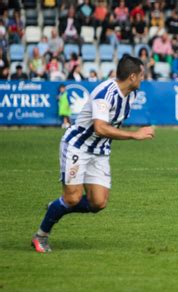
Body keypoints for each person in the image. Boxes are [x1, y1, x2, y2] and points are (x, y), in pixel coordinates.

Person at [31, 55, 155, 253]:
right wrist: (134, 135)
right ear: (132, 76)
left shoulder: (130, 95)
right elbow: (100, 128)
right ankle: (41, 236)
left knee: (98, 202)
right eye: (141, 75)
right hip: (77, 146)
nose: (143, 78)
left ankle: (57, 205)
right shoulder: (105, 94)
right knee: (73, 198)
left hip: (100, 151)